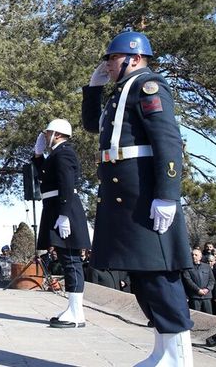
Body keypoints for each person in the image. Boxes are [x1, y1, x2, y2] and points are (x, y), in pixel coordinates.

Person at [81, 29, 193, 365]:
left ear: (134, 57)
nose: (109, 65)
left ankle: (179, 356)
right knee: (142, 275)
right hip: (124, 195)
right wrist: (94, 90)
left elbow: (167, 141)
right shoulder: (120, 93)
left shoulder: (149, 86)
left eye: (113, 59)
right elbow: (92, 127)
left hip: (144, 194)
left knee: (159, 274)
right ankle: (162, 350)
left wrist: (167, 194)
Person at [32, 118, 91, 328]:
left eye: (47, 133)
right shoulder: (56, 153)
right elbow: (45, 176)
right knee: (67, 260)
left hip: (64, 209)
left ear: (57, 134)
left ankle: (77, 313)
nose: (45, 136)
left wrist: (64, 214)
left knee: (72, 260)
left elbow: (66, 183)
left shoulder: (64, 152)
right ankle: (73, 309)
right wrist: (38, 156)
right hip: (57, 208)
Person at [182, 249, 214, 313]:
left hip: (206, 296)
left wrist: (207, 289)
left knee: (209, 316)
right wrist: (198, 290)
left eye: (196, 255)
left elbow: (212, 280)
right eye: (192, 255)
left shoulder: (207, 266)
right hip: (195, 296)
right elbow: (188, 280)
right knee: (196, 316)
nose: (193, 256)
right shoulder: (187, 267)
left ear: (200, 256)